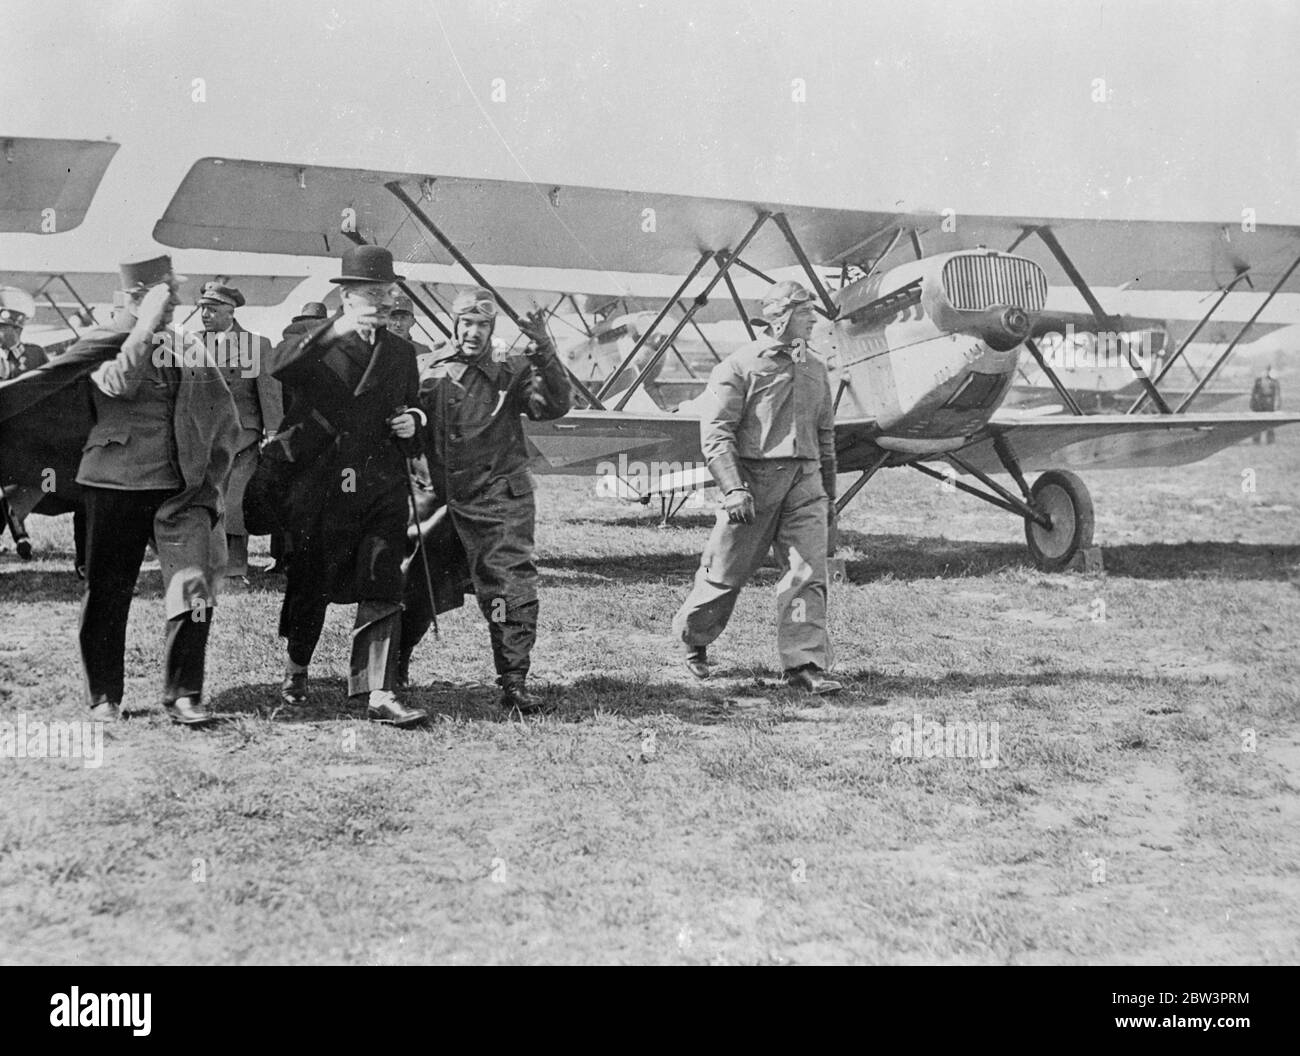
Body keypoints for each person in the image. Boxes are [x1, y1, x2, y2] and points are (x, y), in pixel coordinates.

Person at [260, 245, 428, 728]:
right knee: (313, 579)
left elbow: (413, 402)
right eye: (368, 291)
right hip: (324, 482)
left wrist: (411, 420)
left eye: (385, 290)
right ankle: (297, 667)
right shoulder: (318, 342)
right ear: (347, 295)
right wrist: (333, 328)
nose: (380, 299)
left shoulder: (399, 351)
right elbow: (279, 366)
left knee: (383, 577)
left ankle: (377, 689)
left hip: (381, 481)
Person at [75, 253, 239, 724]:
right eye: (163, 294)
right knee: (109, 591)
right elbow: (119, 383)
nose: (175, 303)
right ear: (135, 296)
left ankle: (184, 693)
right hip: (113, 484)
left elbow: (223, 418)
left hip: (179, 492)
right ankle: (104, 697)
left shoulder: (188, 347)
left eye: (173, 293)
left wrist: (211, 484)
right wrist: (144, 324)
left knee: (195, 587)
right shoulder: (101, 340)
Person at [401, 287, 571, 714]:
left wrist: (545, 351)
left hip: (497, 500)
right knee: (416, 585)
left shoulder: (511, 371)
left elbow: (552, 406)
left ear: (492, 328)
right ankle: (395, 664)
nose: (473, 332)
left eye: (482, 325)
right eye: (465, 323)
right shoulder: (427, 369)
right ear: (453, 324)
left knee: (506, 590)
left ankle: (513, 681)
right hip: (437, 501)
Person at [671, 280, 841, 695]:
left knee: (807, 574)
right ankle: (694, 639)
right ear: (781, 317)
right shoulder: (739, 366)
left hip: (806, 483)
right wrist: (733, 489)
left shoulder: (817, 368)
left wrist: (829, 496)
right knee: (726, 573)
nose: (814, 319)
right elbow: (716, 434)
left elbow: (826, 437)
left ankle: (804, 664)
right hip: (754, 484)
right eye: (806, 312)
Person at [196, 281, 281, 581]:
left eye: (212, 309)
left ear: (230, 312)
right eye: (203, 308)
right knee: (205, 501)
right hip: (203, 438)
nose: (205, 314)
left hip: (243, 437)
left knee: (235, 502)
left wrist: (272, 433)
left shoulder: (257, 345)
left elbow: (269, 393)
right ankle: (206, 564)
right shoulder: (192, 343)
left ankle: (234, 567)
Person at [0, 287, 48, 558]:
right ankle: (20, 536)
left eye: (3, 327)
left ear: (16, 329)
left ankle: (20, 535)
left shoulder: (35, 354)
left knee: (37, 483)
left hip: (29, 437)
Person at [1250, 366, 1281, 444]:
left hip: (1268, 404)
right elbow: (1254, 393)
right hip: (1261, 404)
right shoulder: (1260, 380)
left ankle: (1269, 440)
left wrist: (1277, 405)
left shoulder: (1273, 381)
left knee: (1269, 423)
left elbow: (1277, 394)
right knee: (1258, 422)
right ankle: (1257, 439)